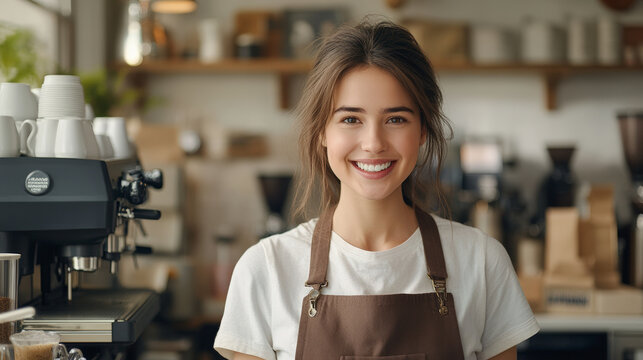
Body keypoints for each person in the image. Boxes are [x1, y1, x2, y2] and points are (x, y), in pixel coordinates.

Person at [214, 20, 539, 360]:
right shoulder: (266, 268)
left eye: (396, 119)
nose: (373, 144)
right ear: (322, 132)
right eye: (351, 119)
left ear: (423, 130)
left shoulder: (483, 262)